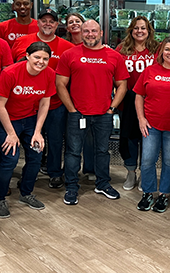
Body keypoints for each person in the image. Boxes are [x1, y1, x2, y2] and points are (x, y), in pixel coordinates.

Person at [56, 19, 129, 205]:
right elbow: (60, 84)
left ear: (101, 33)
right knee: (73, 152)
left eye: (94, 31)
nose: (90, 34)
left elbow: (122, 85)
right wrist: (72, 109)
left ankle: (103, 183)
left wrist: (112, 108)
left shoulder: (114, 56)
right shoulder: (69, 54)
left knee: (102, 151)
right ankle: (72, 187)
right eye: (86, 31)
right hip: (77, 113)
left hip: (104, 114)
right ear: (81, 32)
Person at [10, 9, 74, 189]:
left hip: (54, 103)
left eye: (51, 21)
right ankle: (30, 173)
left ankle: (54, 173)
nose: (48, 24)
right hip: (27, 104)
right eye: (44, 20)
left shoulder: (67, 47)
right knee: (30, 141)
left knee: (54, 140)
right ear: (37, 22)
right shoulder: (21, 41)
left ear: (57, 24)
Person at [0, 42, 55, 217]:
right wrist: (11, 134)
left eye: (45, 58)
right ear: (27, 55)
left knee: (36, 155)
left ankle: (26, 193)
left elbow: (45, 103)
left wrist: (37, 132)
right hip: (4, 119)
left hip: (29, 118)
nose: (41, 62)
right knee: (10, 159)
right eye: (37, 57)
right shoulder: (10, 73)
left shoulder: (49, 74)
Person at [133, 37, 170, 212]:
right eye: (167, 49)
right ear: (160, 52)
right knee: (148, 160)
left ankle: (164, 194)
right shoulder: (150, 71)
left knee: (169, 161)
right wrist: (141, 119)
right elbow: (139, 96)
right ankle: (148, 193)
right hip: (151, 124)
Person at [116, 16, 160, 191]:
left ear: (149, 30)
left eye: (143, 28)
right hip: (127, 100)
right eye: (136, 28)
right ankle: (131, 171)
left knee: (148, 138)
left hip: (150, 100)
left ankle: (146, 173)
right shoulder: (122, 49)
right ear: (131, 31)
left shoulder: (157, 49)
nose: (139, 31)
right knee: (129, 139)